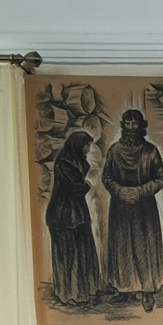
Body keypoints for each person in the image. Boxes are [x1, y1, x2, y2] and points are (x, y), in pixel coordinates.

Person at [102, 108, 163, 303]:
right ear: (123, 126)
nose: (131, 127)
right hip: (120, 207)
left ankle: (147, 291)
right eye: (128, 123)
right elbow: (107, 177)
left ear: (141, 126)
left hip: (144, 208)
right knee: (122, 247)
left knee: (144, 248)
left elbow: (160, 179)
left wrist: (140, 191)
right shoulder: (114, 150)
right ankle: (124, 289)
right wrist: (119, 190)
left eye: (134, 123)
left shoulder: (151, 151)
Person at [45, 130, 102, 307]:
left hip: (77, 213)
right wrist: (88, 183)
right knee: (67, 255)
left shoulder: (77, 161)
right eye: (86, 145)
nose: (88, 149)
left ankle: (84, 290)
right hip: (63, 215)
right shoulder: (63, 163)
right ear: (77, 145)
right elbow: (76, 188)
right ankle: (69, 293)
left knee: (82, 251)